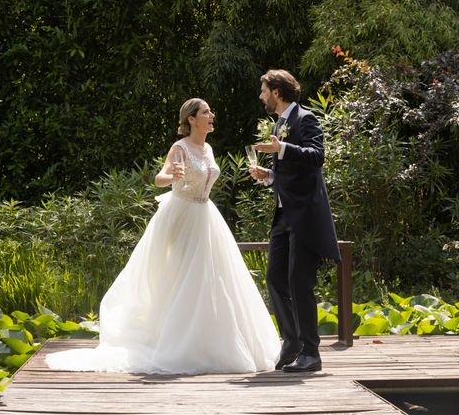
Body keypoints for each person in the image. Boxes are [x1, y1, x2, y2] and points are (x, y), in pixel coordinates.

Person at [45, 98, 280, 374]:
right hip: (182, 217)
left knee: (213, 278)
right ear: (191, 119)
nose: (211, 115)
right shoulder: (179, 148)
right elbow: (160, 178)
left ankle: (209, 342)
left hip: (206, 216)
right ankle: (178, 343)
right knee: (186, 278)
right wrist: (173, 176)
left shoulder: (208, 148)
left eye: (210, 112)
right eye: (206, 112)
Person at [249, 69, 340, 372]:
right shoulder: (280, 122)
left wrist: (282, 148)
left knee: (299, 281)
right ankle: (292, 342)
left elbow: (316, 157)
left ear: (276, 90)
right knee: (275, 278)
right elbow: (290, 174)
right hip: (283, 214)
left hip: (304, 215)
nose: (261, 96)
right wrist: (269, 175)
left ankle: (311, 353)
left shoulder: (306, 118)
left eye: (264, 90)